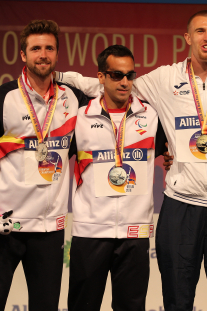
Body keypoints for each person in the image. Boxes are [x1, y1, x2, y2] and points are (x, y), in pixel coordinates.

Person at [57, 10, 207, 311]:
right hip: (181, 202)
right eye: (200, 31)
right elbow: (111, 86)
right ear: (188, 37)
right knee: (176, 301)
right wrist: (58, 77)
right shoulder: (165, 78)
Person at [0, 20, 88, 311]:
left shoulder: (73, 99)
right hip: (4, 226)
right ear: (23, 56)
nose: (43, 54)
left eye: (49, 48)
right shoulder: (1, 99)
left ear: (57, 54)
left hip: (49, 230)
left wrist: (164, 148)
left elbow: (113, 110)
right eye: (36, 48)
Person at [67, 45, 159, 311]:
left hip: (135, 231)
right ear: (101, 77)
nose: (125, 82)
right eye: (116, 75)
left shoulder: (152, 116)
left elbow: (171, 150)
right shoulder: (80, 118)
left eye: (130, 75)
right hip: (90, 231)